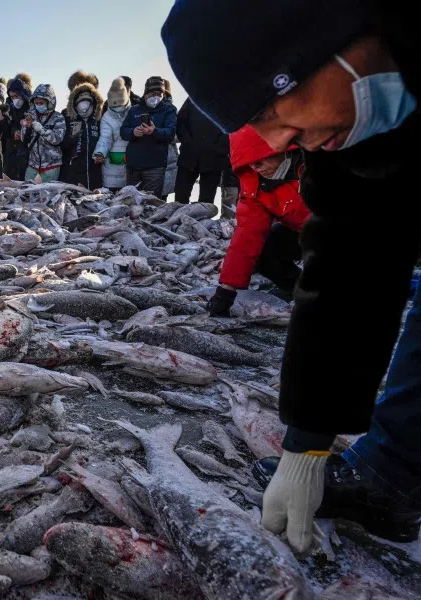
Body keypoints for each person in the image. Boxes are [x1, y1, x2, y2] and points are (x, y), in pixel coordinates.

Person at [164, 0, 421, 550]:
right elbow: (351, 266)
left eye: (271, 113)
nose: (276, 143)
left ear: (321, 40)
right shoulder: (349, 138)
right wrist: (306, 442)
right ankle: (393, 473)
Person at [207, 126, 309, 316]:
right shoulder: (255, 185)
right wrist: (226, 292)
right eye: (248, 163)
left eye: (260, 159)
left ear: (282, 147)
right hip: (303, 232)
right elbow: (246, 237)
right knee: (264, 250)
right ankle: (300, 290)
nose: (256, 167)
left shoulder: (321, 162)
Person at [120, 77, 178, 197]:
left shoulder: (169, 109)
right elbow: (123, 131)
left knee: (151, 204)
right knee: (131, 202)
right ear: (146, 93)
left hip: (155, 167)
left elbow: (170, 132)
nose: (156, 96)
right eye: (153, 93)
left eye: (159, 93)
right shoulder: (134, 110)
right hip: (133, 166)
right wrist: (133, 132)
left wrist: (154, 131)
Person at [174, 97, 231, 204]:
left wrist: (219, 149)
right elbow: (181, 122)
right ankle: (178, 220)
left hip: (214, 160)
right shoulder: (194, 97)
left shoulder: (228, 102)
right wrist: (187, 142)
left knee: (206, 201)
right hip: (189, 156)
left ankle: (202, 220)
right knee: (180, 197)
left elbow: (231, 130)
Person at [60, 81, 103, 189]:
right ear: (74, 105)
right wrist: (72, 138)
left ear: (94, 104)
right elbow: (61, 145)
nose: (84, 108)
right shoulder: (67, 120)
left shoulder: (99, 121)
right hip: (72, 175)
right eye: (80, 103)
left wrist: (102, 155)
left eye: (88, 103)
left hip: (95, 174)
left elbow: (106, 141)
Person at [94, 77, 132, 190]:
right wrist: (100, 152)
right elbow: (105, 138)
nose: (117, 108)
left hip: (133, 163)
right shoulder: (107, 117)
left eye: (119, 105)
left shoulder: (135, 112)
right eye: (114, 106)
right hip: (113, 165)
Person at [23, 84, 66, 183]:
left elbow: (58, 139)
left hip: (51, 166)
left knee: (47, 196)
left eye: (41, 103)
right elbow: (24, 139)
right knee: (27, 194)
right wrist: (26, 129)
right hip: (32, 165)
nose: (38, 105)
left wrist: (42, 130)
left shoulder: (58, 117)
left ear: (49, 102)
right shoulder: (29, 116)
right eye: (36, 102)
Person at [4, 73, 33, 181]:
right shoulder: (10, 109)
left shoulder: (32, 109)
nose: (14, 99)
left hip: (28, 157)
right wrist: (14, 132)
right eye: (12, 97)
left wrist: (24, 133)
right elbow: (8, 127)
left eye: (16, 96)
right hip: (12, 154)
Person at [161, 80, 179, 200]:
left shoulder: (173, 111)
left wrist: (161, 134)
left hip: (169, 159)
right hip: (153, 159)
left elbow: (178, 135)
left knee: (163, 197)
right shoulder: (145, 109)